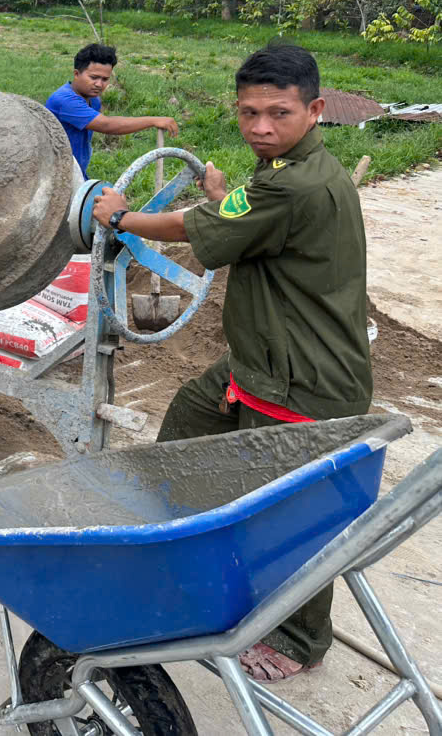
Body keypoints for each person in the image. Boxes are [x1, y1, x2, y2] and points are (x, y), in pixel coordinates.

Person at [91, 42, 372, 683]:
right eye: (249, 113)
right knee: (189, 422)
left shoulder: (294, 184)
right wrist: (223, 198)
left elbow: (194, 229)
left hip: (302, 377)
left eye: (279, 113)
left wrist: (122, 215)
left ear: (315, 111)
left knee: (289, 516)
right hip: (260, 357)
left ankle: (299, 639)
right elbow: (240, 211)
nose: (261, 127)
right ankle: (183, 555)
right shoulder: (289, 171)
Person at [46, 43, 179, 178]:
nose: (99, 84)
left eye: (105, 79)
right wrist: (153, 120)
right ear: (76, 74)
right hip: (54, 176)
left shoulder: (93, 100)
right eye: (93, 77)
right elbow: (106, 124)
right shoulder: (65, 101)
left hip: (75, 171)